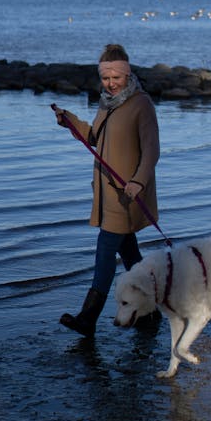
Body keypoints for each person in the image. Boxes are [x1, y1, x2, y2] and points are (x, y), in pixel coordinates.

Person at [52, 43, 160, 338]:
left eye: (116, 78)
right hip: (107, 192)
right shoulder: (105, 104)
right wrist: (70, 120)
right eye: (106, 79)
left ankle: (88, 318)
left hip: (128, 195)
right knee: (131, 257)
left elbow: (152, 151)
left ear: (127, 74)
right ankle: (151, 312)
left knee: (104, 252)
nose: (111, 84)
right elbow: (94, 137)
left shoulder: (141, 104)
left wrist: (137, 181)